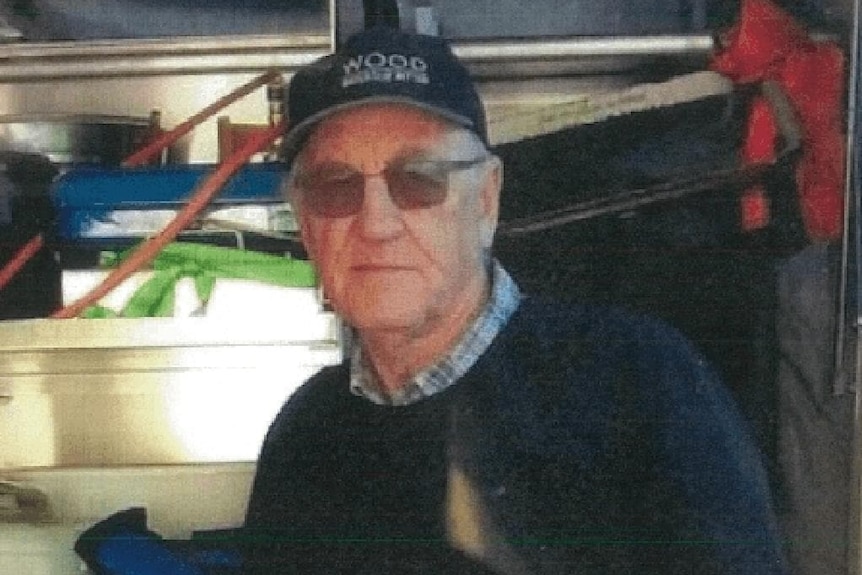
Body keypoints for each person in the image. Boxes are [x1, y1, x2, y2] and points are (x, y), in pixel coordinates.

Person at [243, 26, 788, 574]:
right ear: (307, 227)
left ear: (486, 200)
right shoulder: (304, 436)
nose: (376, 223)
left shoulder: (642, 384)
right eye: (336, 187)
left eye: (419, 178)